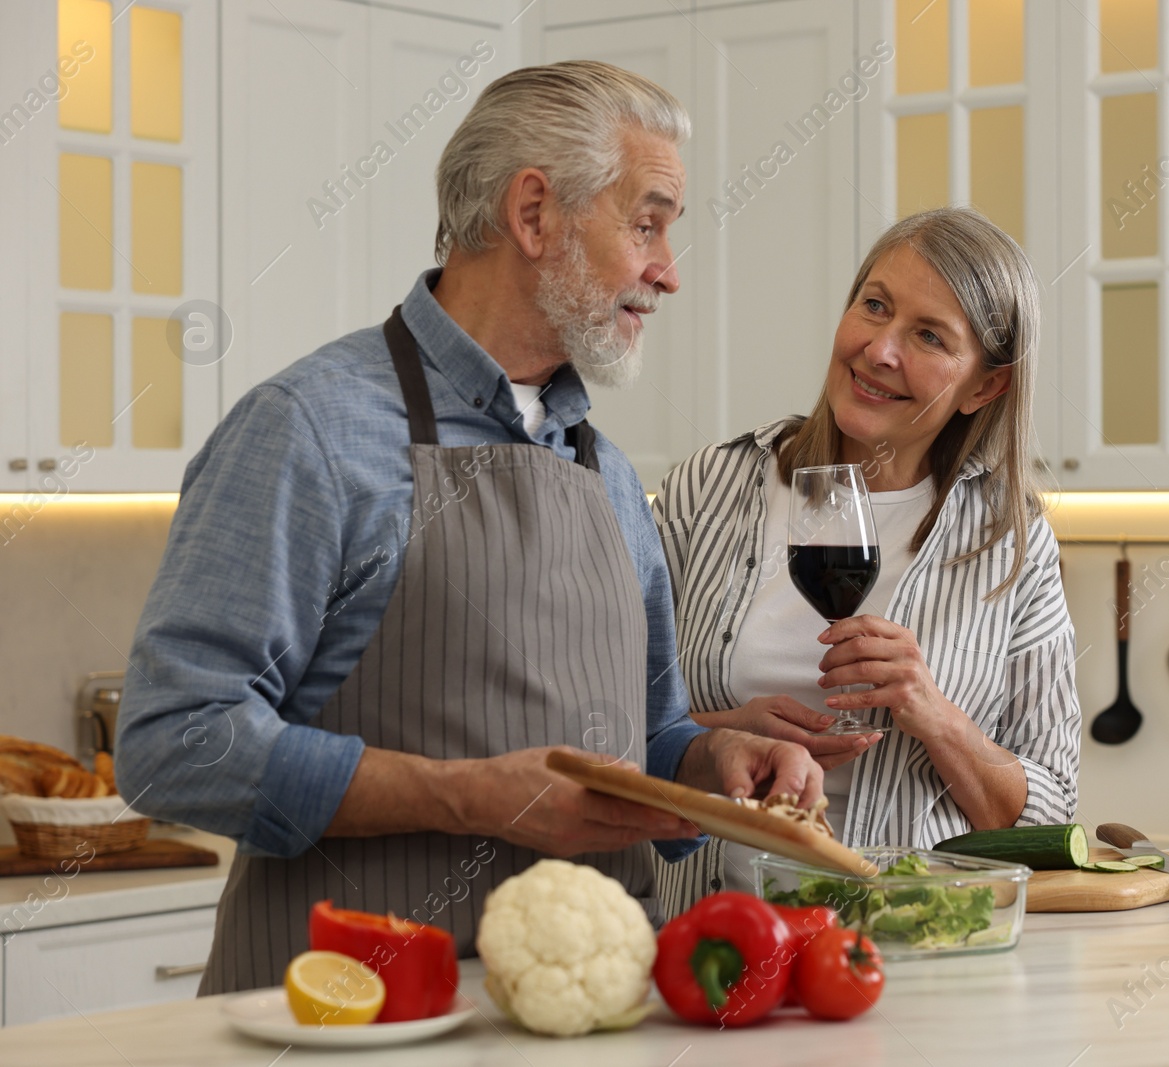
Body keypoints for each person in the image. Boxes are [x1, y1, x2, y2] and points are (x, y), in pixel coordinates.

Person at [115, 61, 820, 994]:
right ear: (534, 214)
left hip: (585, 1025)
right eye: (646, 223)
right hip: (344, 1027)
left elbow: (644, 737)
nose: (668, 272)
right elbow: (173, 743)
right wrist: (465, 796)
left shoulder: (603, 470)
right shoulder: (310, 428)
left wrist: (711, 757)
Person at [652, 207, 1082, 913]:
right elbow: (606, 729)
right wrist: (721, 731)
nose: (880, 350)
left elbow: (1052, 820)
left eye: (929, 336)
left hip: (911, 951)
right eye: (874, 306)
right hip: (712, 942)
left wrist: (933, 714)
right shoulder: (710, 486)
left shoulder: (1014, 540)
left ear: (985, 387)